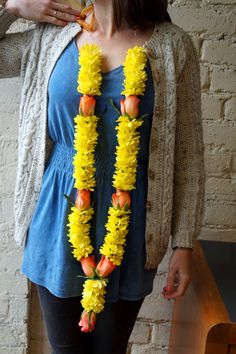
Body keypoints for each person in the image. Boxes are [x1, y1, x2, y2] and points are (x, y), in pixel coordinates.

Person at [0, 0, 205, 353]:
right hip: (57, 219)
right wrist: (11, 6)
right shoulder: (53, 36)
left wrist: (183, 242)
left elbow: (188, 151)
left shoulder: (173, 45)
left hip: (132, 223)